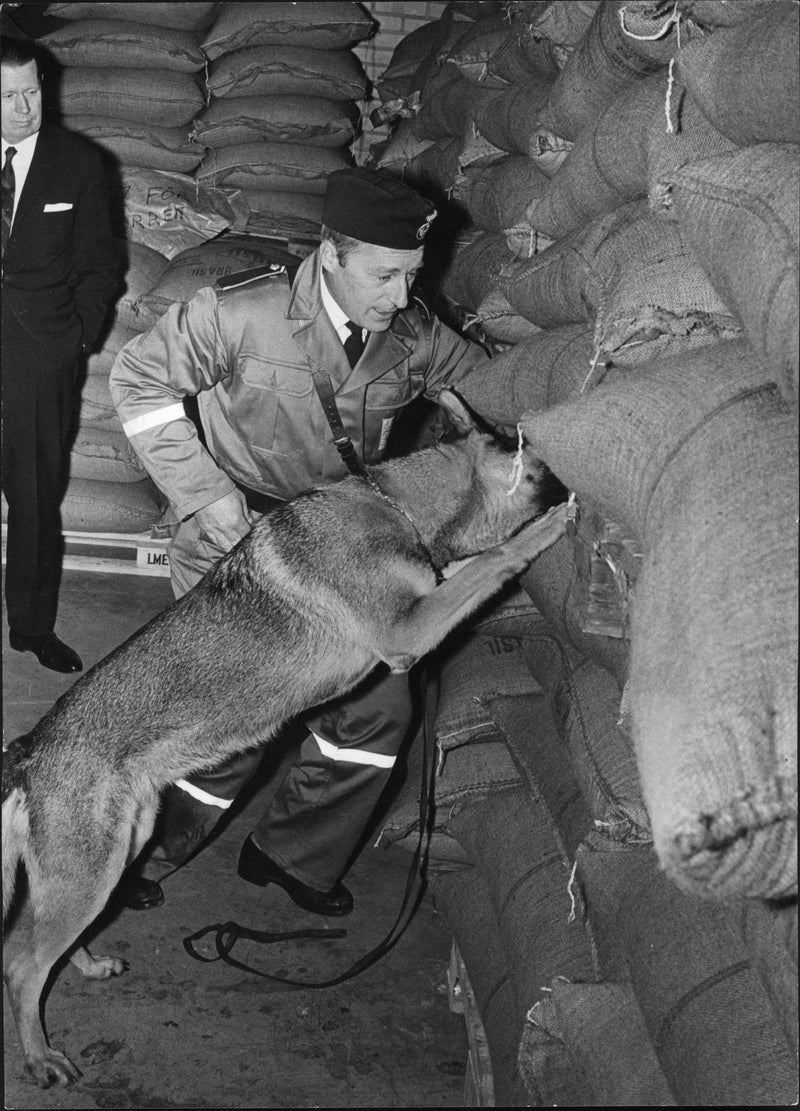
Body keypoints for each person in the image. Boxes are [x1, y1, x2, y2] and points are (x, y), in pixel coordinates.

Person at [109, 167, 488, 916]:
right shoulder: (242, 311)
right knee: (227, 720)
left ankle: (291, 854)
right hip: (237, 548)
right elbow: (138, 380)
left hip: (340, 553)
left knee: (379, 715)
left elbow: (491, 384)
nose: (401, 296)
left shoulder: (411, 335)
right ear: (332, 252)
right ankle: (137, 855)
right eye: (385, 276)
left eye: (413, 276)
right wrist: (203, 492)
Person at [1, 35, 118, 672]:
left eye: (33, 91)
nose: (26, 108)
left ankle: (33, 627)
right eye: (9, 97)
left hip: (39, 357)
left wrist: (76, 339)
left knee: (36, 497)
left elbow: (101, 267)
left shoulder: (80, 163)